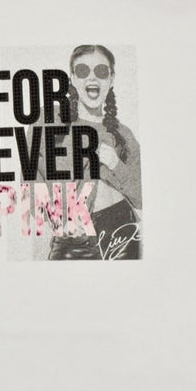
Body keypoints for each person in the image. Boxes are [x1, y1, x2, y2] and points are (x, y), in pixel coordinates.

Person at [28, 44, 143, 260]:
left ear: (111, 79)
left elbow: (141, 196)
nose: (92, 77)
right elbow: (31, 179)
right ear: (72, 78)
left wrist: (115, 165)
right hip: (73, 238)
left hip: (122, 231)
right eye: (82, 71)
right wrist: (58, 220)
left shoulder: (123, 133)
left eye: (101, 71)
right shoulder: (48, 120)